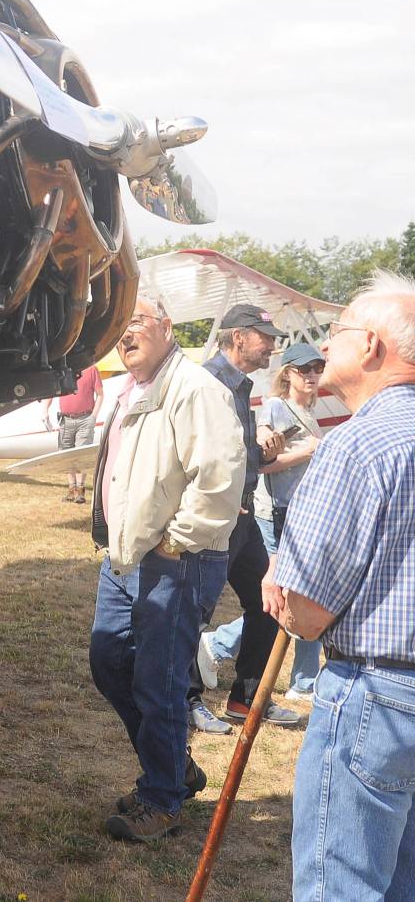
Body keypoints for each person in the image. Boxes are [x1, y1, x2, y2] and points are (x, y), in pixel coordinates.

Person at [265, 270, 415, 901]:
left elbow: (306, 613)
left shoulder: (357, 443)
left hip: (377, 696)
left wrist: (280, 587)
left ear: (373, 346)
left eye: (338, 330)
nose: (325, 345)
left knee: (343, 886)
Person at [88, 294, 245, 842]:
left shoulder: (196, 387)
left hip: (177, 559)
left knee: (161, 679)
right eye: (118, 325)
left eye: (134, 321)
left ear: (167, 326)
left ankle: (162, 799)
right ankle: (173, 767)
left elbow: (220, 477)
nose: (125, 335)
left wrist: (177, 542)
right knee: (109, 661)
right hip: (127, 555)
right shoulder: (131, 389)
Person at [187, 304, 301, 731]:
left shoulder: (237, 384)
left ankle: (246, 698)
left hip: (243, 515)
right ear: (238, 337)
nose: (272, 346)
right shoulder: (208, 382)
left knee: (270, 601)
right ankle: (185, 700)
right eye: (265, 337)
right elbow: (191, 449)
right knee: (193, 611)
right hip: (218, 515)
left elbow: (234, 453)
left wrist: (261, 448)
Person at [196, 342, 325, 699]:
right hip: (271, 514)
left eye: (318, 368)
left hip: (289, 514)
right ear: (288, 373)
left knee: (295, 595)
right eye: (305, 369)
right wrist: (307, 451)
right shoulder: (275, 407)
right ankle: (216, 646)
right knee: (277, 596)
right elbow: (262, 462)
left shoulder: (306, 411)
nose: (312, 375)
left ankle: (296, 683)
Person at [44, 363, 104, 503]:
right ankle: (71, 489)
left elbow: (100, 394)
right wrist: (44, 410)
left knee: (81, 454)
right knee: (66, 454)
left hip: (85, 419)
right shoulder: (62, 368)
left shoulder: (91, 369)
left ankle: (80, 491)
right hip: (66, 419)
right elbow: (51, 392)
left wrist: (93, 417)